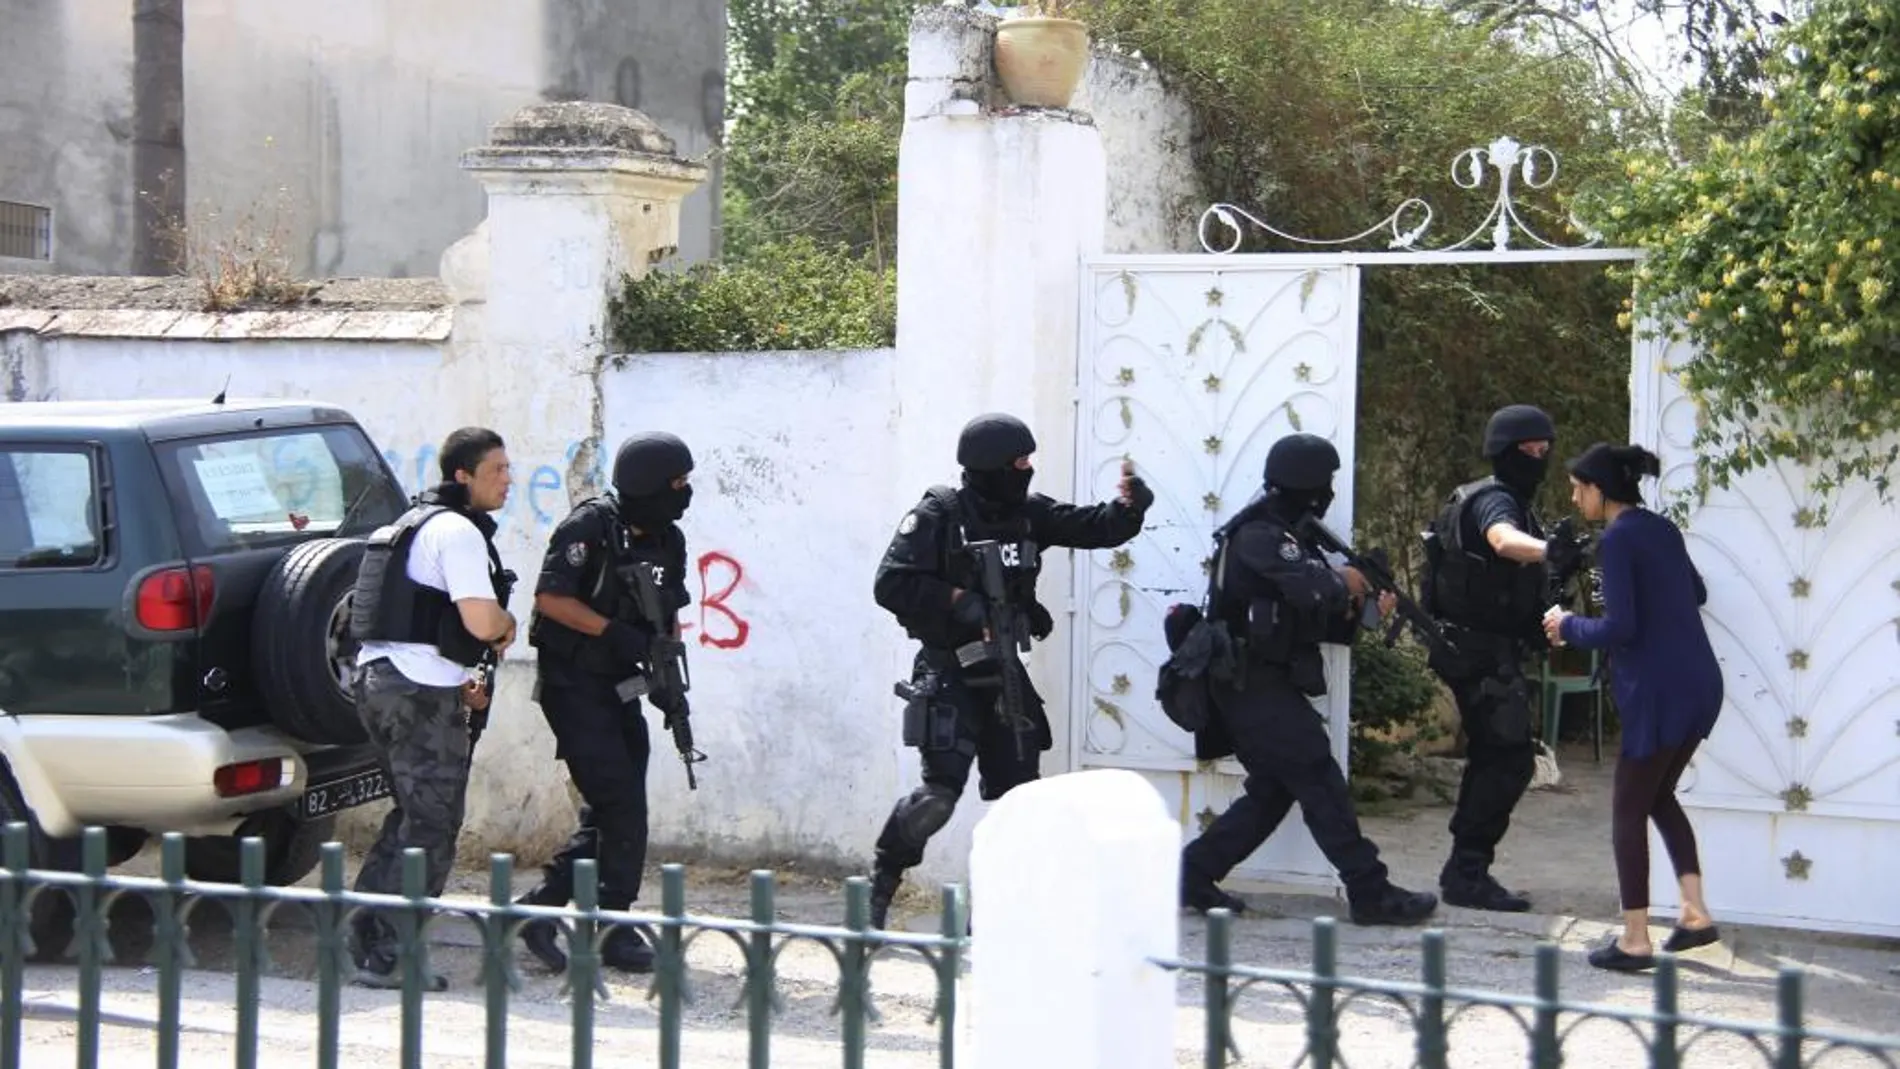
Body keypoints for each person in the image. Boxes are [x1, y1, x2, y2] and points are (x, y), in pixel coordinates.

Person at [866, 412, 1153, 929]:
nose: (1027, 469)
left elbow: (1093, 527)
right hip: (947, 668)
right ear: (990, 464)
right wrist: (959, 602)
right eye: (1019, 461)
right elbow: (890, 584)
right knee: (937, 797)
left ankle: (996, 917)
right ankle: (879, 890)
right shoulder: (939, 514)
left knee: (1020, 802)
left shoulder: (1027, 513)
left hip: (1003, 672)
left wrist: (1130, 509)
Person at [1179, 433, 1439, 927]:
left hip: (1265, 681)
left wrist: (1365, 610)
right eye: (1327, 481)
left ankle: (1193, 872)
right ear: (1309, 483)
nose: (1331, 491)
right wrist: (1346, 581)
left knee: (1276, 790)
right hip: (1246, 681)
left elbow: (1316, 619)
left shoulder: (1296, 538)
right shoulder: (1259, 535)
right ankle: (1370, 891)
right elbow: (1308, 586)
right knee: (1319, 779)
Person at [509, 432, 696, 974]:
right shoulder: (590, 527)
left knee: (613, 806)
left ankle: (537, 912)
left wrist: (666, 671)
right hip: (575, 685)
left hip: (622, 684)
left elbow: (669, 610)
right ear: (646, 484)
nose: (684, 494)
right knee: (622, 805)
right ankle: (615, 926)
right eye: (676, 483)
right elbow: (550, 598)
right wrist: (615, 634)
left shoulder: (669, 539)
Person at [347, 427, 517, 990]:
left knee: (411, 815)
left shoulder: (405, 526)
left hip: (382, 681)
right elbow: (480, 622)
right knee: (435, 826)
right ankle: (391, 955)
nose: (507, 480)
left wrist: (461, 678)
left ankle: (364, 935)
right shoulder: (458, 532)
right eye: (497, 470)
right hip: (417, 693)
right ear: (462, 476)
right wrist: (506, 626)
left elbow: (416, 623)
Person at [1543, 442, 1723, 972]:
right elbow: (1698, 592)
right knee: (1658, 795)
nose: (1576, 499)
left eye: (1579, 488)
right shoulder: (1660, 529)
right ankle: (1694, 914)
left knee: (1627, 808)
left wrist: (1566, 625)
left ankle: (1635, 940)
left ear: (1600, 489)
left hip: (1658, 691)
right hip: (1699, 683)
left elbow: (1621, 628)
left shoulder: (1618, 540)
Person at [1420, 404, 1584, 913]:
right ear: (1503, 452)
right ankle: (1467, 871)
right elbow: (1502, 541)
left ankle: (1465, 868)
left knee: (1498, 757)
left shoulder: (1506, 498)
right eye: (1529, 451)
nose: (1538, 458)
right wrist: (1547, 551)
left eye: (1544, 450)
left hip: (1483, 649)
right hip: (1477, 652)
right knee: (1508, 759)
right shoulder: (1493, 500)